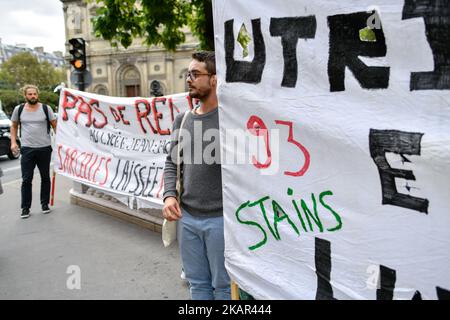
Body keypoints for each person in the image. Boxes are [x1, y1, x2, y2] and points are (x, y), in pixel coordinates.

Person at [162, 51, 231, 300]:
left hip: (222, 222)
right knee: (197, 285)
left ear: (214, 79)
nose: (189, 79)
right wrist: (169, 196)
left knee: (224, 287)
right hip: (187, 218)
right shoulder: (182, 120)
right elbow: (171, 162)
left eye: (195, 74)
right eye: (187, 74)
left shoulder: (230, 120)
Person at [10, 84, 57, 219]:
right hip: (27, 148)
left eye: (34, 94)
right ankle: (25, 208)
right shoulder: (18, 109)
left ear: (38, 95)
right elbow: (13, 127)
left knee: (45, 177)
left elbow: (55, 126)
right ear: (25, 96)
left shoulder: (45, 108)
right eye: (30, 94)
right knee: (26, 179)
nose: (32, 96)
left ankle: (45, 204)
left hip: (44, 148)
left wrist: (60, 143)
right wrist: (13, 142)